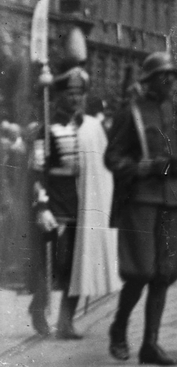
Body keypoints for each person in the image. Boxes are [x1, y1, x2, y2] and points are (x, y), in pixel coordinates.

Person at [105, 52, 177, 365]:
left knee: (165, 274)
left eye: (172, 75)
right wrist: (145, 168)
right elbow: (112, 159)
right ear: (149, 80)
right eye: (163, 75)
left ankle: (150, 344)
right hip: (140, 200)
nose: (170, 80)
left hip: (172, 201)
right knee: (140, 272)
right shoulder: (131, 112)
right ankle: (118, 327)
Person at [29, 65, 92, 339]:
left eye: (80, 94)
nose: (76, 99)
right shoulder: (46, 127)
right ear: (59, 96)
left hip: (82, 200)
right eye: (71, 94)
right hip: (56, 202)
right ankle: (39, 306)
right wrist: (41, 205)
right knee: (56, 262)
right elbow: (36, 171)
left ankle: (66, 321)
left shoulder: (87, 127)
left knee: (78, 264)